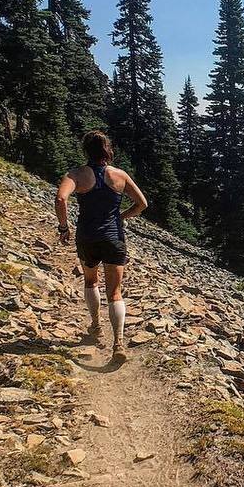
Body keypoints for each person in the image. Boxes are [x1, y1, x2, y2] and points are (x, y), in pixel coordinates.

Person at [55, 131, 147, 361]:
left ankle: (95, 325)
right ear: (107, 149)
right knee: (115, 292)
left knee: (90, 280)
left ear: (86, 149)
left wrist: (64, 227)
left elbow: (60, 199)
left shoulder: (76, 174)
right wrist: (122, 217)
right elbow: (142, 204)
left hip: (87, 236)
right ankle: (118, 343)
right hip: (114, 236)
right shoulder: (119, 175)